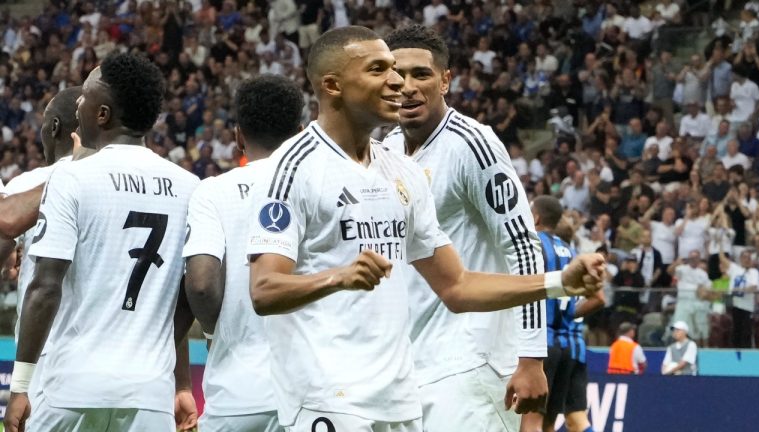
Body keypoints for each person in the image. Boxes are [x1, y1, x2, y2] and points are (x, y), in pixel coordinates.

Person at [246, 26, 604, 431]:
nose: (399, 83)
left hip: (415, 389)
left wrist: (557, 284)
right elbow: (263, 289)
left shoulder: (407, 169)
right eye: (381, 70)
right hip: (331, 396)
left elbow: (459, 284)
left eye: (412, 73)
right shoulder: (293, 169)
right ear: (333, 86)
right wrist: (338, 277)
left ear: (445, 79)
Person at [4, 53, 200, 432]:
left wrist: (21, 386)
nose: (78, 103)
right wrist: (178, 380)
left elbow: (44, 288)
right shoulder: (189, 186)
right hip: (149, 393)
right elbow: (188, 294)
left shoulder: (72, 179)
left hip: (72, 387)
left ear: (103, 114)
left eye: (85, 97)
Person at [382, 24, 547, 432]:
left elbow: (523, 247)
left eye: (421, 74)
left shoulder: (472, 143)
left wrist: (531, 359)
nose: (408, 87)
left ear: (445, 80)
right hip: (402, 368)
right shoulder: (383, 151)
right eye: (397, 75)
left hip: (470, 362)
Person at [183, 75, 304, 432]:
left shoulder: (212, 192)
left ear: (238, 136)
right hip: (311, 393)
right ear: (300, 133)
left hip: (236, 396)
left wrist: (212, 332)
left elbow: (201, 285)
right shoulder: (320, 186)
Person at [0, 86, 82, 409]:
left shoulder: (25, 187)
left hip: (45, 360)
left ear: (55, 128)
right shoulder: (125, 182)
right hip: (128, 364)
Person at [522, 196, 604, 432]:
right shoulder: (570, 251)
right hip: (567, 344)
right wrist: (568, 315)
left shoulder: (533, 245)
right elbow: (596, 297)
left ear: (535, 217)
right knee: (551, 423)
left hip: (540, 343)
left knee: (529, 422)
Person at [668, 251, 712, 347]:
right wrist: (676, 263)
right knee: (679, 329)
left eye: (695, 258)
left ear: (699, 259)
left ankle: (699, 352)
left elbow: (707, 291)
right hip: (683, 303)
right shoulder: (682, 269)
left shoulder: (703, 274)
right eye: (691, 258)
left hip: (697, 304)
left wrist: (702, 293)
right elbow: (670, 271)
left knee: (698, 332)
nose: (693, 260)